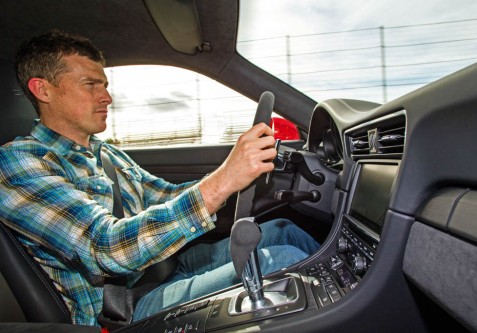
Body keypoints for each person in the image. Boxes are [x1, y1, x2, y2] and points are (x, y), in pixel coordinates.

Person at [0, 30, 320, 327]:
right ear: (43, 89)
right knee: (284, 260)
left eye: (105, 85)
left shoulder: (106, 154)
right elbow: (105, 248)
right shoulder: (19, 163)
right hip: (120, 310)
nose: (106, 97)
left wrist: (235, 175)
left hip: (158, 269)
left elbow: (167, 196)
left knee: (282, 233)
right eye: (90, 84)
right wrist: (223, 180)